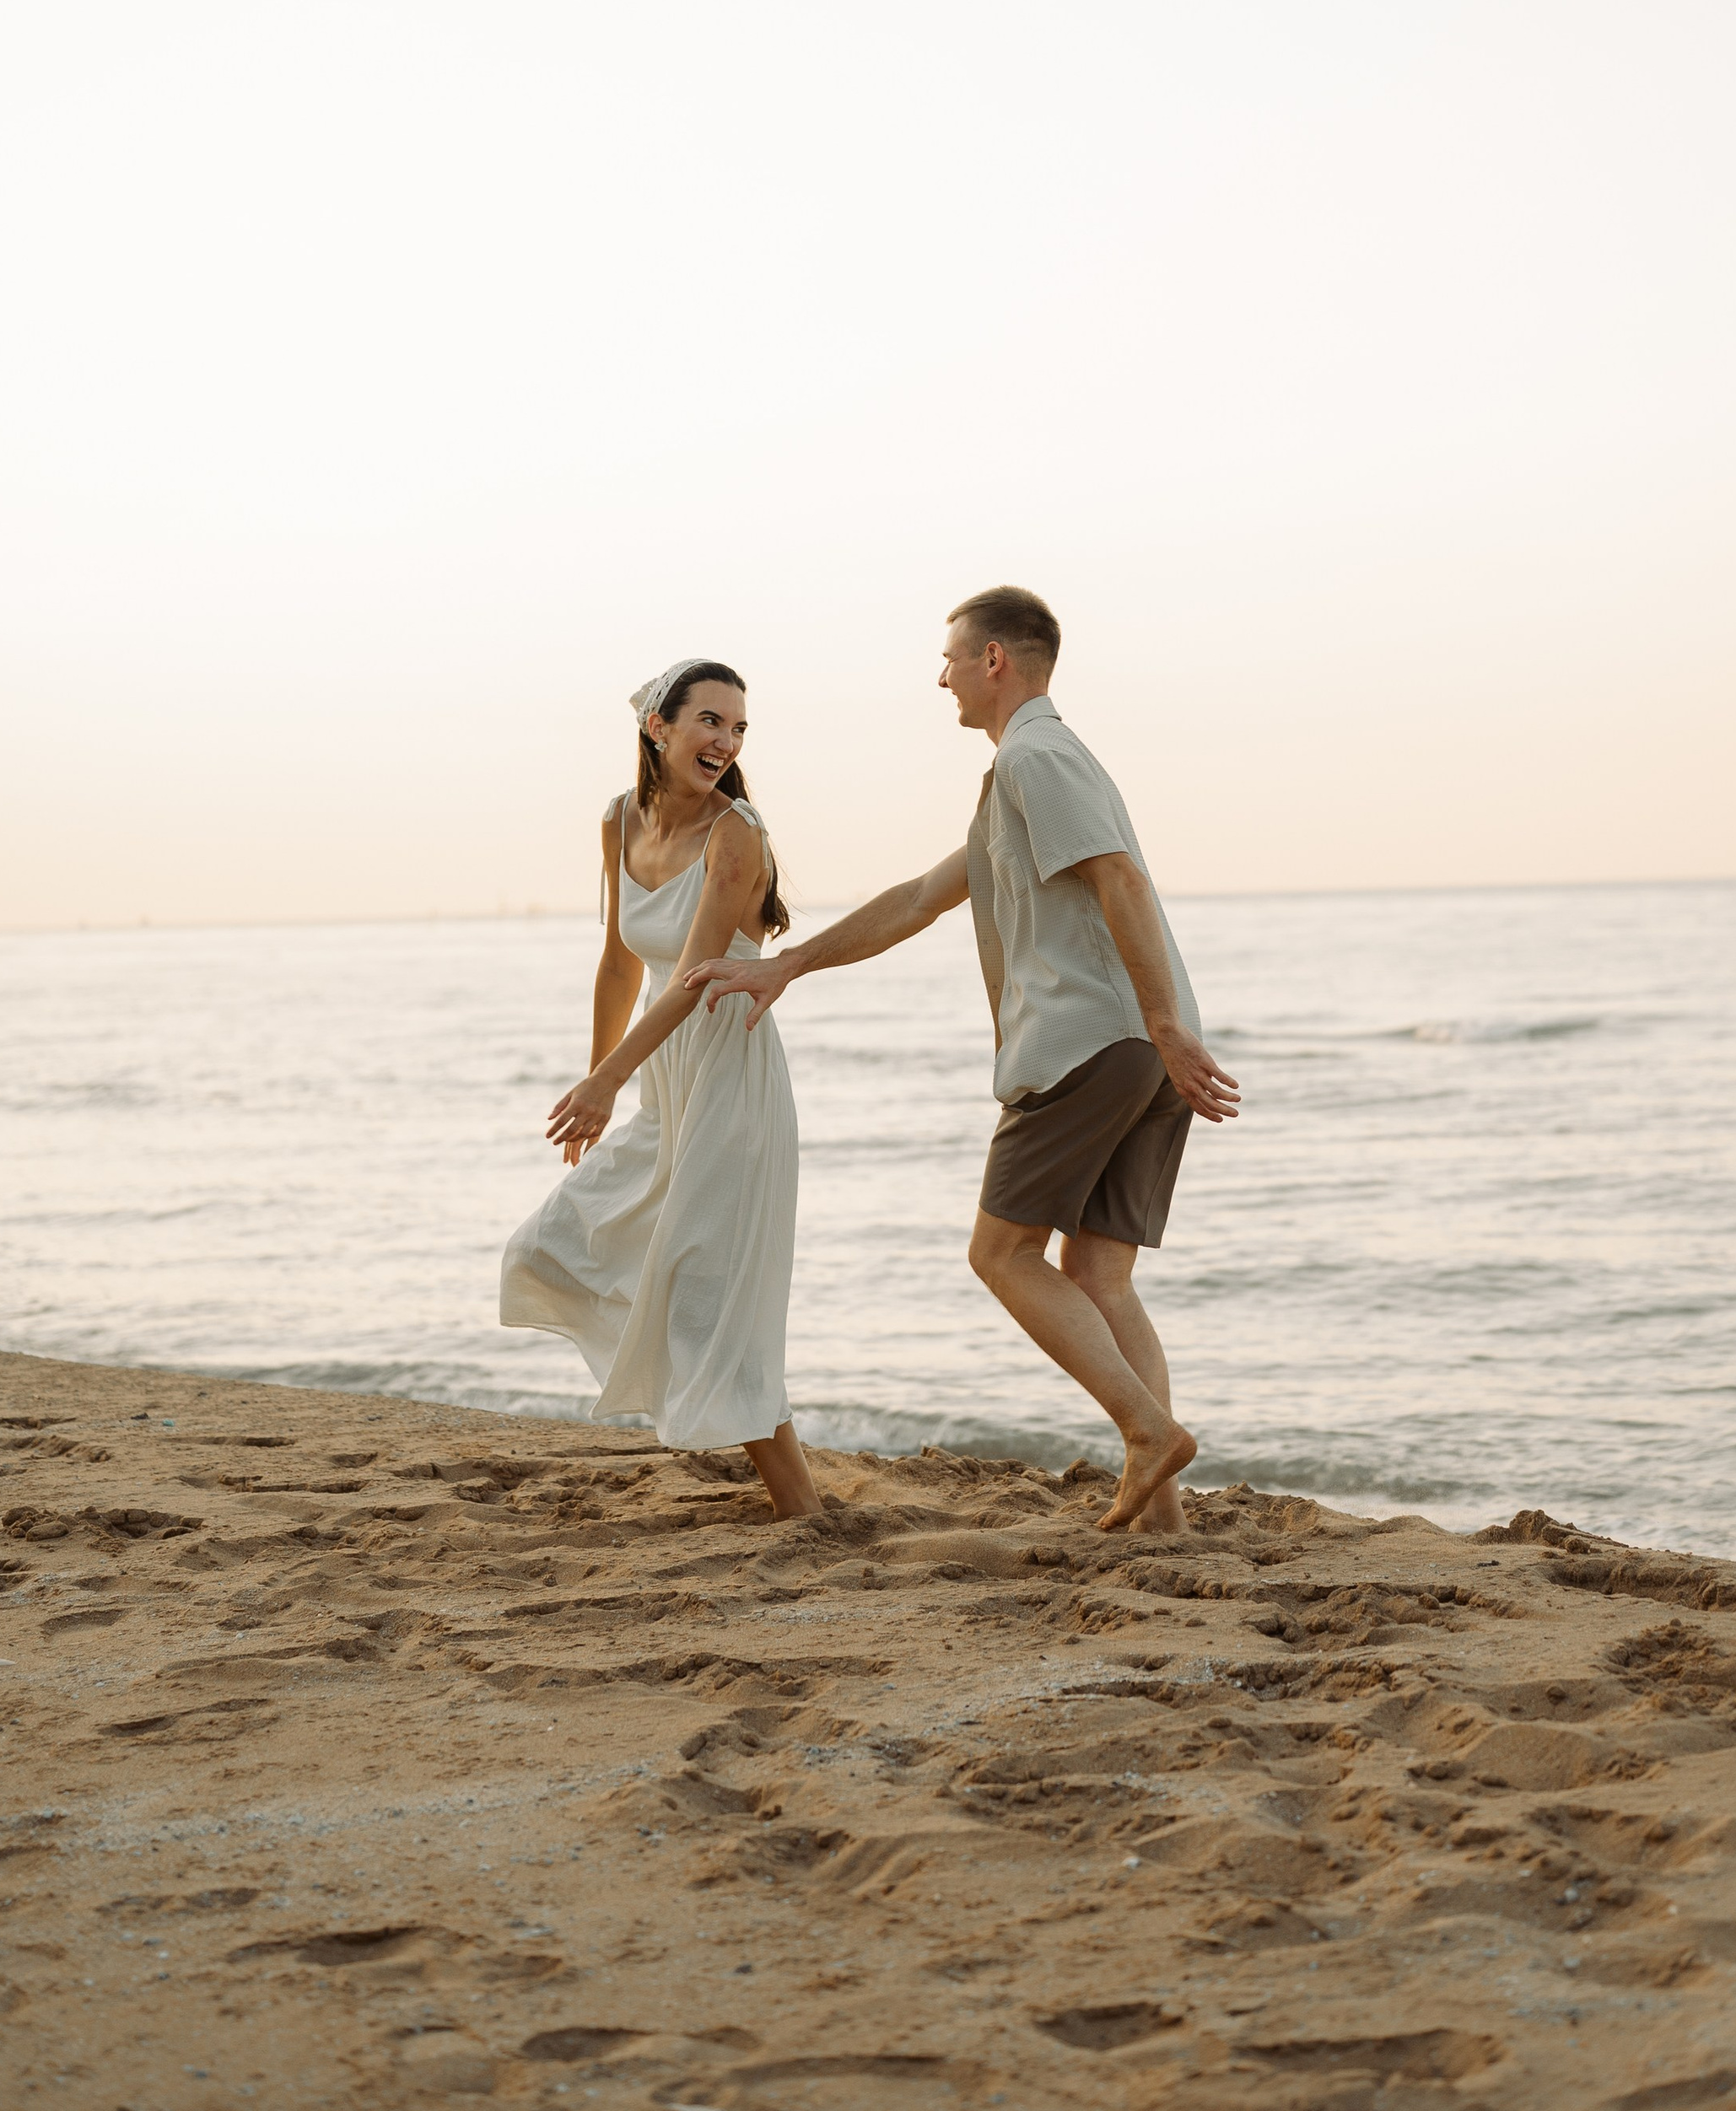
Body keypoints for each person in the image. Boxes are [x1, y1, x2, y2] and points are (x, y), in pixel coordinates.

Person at [688, 588, 1237, 1534]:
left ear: (994, 660)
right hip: (1142, 1047)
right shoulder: (1024, 773)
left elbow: (1120, 878)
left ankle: (1148, 1431)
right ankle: (1166, 1523)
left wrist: (1160, 1022)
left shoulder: (1036, 757)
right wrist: (786, 964)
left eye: (950, 658)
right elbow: (918, 898)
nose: (939, 676)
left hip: (1090, 1042)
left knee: (1001, 1253)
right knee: (1099, 1277)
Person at [499, 657, 822, 1520]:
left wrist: (610, 1079)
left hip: (729, 1072)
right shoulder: (619, 819)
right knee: (550, 1247)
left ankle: (802, 1511)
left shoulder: (735, 833)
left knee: (708, 1298)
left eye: (739, 728)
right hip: (661, 1078)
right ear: (658, 726)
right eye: (710, 721)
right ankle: (755, 1459)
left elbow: (691, 978)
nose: (726, 742)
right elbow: (618, 961)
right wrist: (596, 1083)